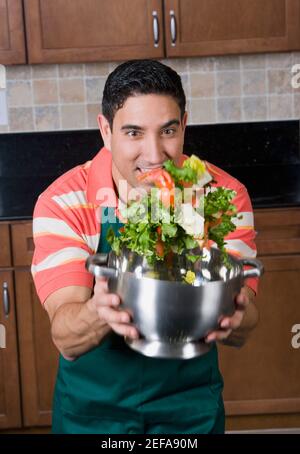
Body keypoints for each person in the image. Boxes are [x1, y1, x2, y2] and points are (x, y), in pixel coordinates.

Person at [31, 59, 259, 434]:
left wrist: (233, 317)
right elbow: (66, 337)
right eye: (134, 133)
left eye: (168, 130)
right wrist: (98, 310)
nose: (154, 155)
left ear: (184, 125)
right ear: (106, 131)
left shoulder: (223, 195)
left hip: (190, 413)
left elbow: (248, 322)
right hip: (92, 416)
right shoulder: (65, 201)